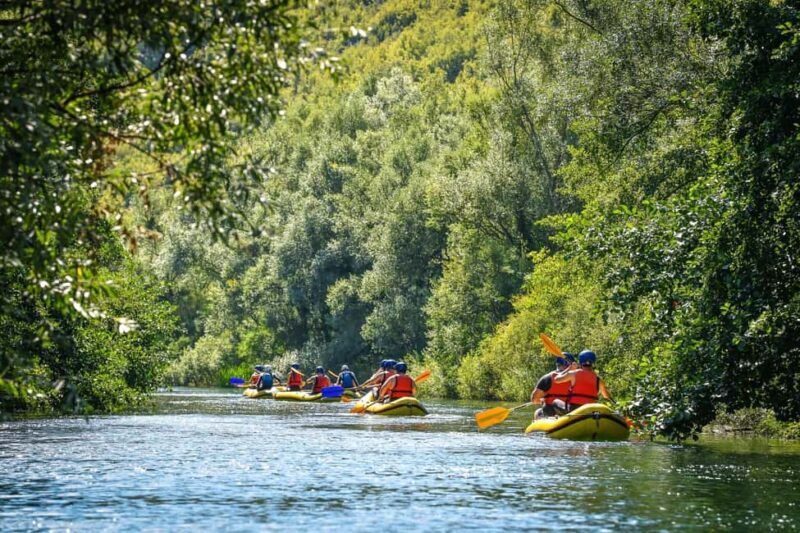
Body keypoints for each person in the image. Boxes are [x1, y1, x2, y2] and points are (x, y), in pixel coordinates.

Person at [531, 353, 574, 419]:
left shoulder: (547, 378)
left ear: (557, 364)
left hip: (551, 412)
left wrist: (543, 400)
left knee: (538, 412)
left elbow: (534, 399)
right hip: (571, 411)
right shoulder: (577, 377)